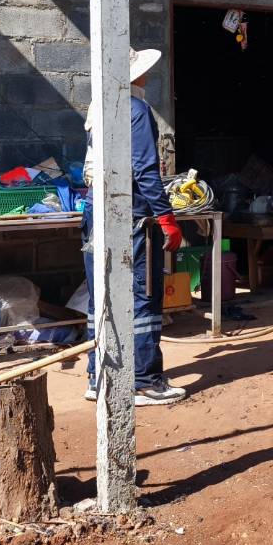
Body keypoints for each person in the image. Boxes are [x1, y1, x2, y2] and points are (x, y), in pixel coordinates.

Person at [82, 46, 186, 406]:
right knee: (143, 294)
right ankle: (144, 380)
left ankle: (98, 377)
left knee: (101, 295)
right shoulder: (136, 110)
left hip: (96, 211)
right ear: (134, 75)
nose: (147, 74)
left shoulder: (99, 109)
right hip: (132, 218)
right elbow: (145, 171)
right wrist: (167, 217)